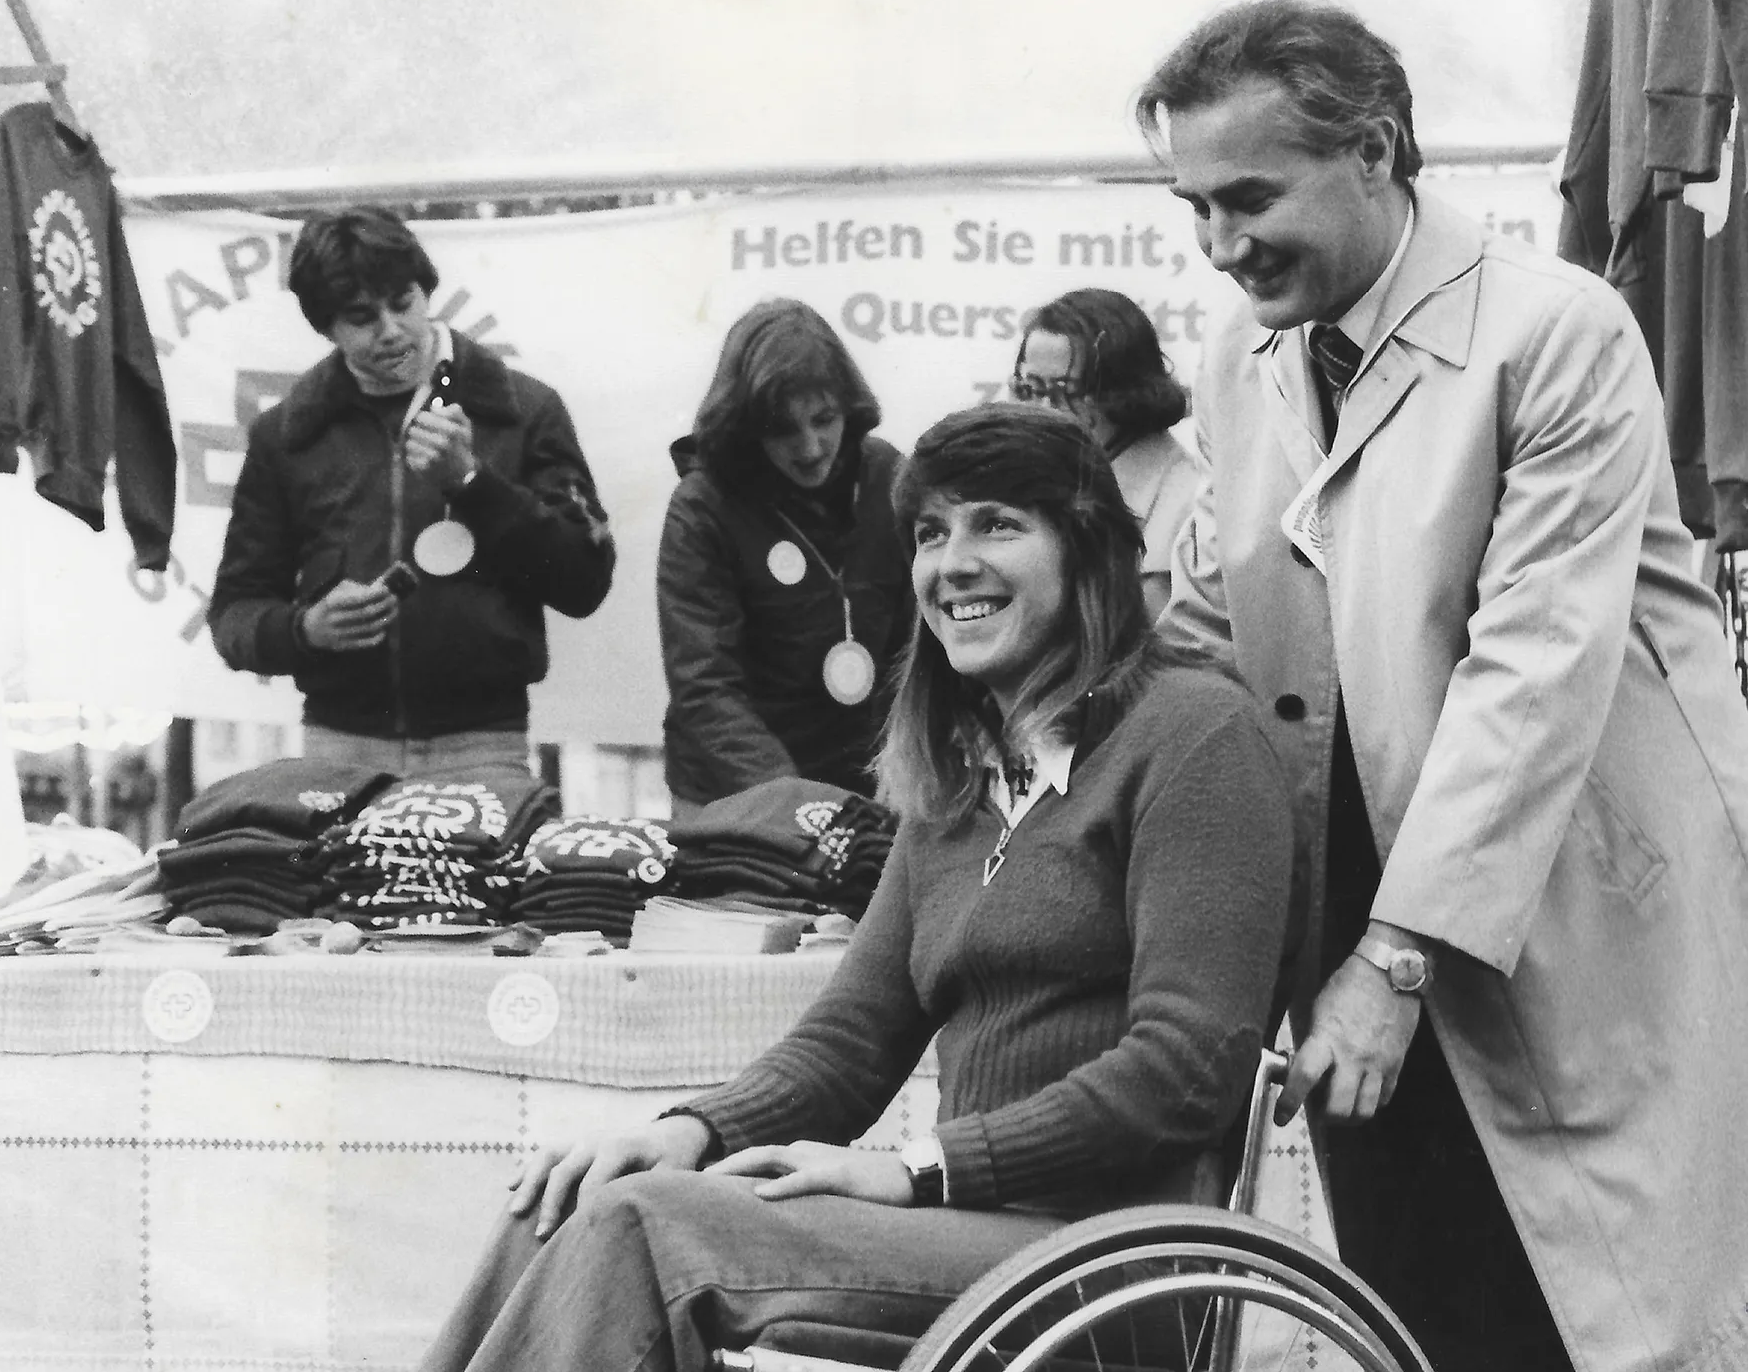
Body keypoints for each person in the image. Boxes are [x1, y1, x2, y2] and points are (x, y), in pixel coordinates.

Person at [420, 405, 1300, 1372]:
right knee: (576, 1196)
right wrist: (687, 1130)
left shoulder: (1195, 736)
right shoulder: (959, 775)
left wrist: (922, 1169)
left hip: (1114, 1257)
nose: (951, 563)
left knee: (646, 1228)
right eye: (930, 532)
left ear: (1088, 549)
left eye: (997, 523)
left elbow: (1187, 1067)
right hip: (969, 1229)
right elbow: (851, 1040)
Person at [1139, 0, 1748, 1372]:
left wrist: (1397, 953)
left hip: (1570, 907)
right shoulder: (1243, 358)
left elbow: (1529, 673)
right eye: (1194, 209)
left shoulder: (1557, 333)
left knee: (1615, 1308)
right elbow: (1205, 623)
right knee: (1424, 1295)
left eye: (1247, 197)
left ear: (1374, 151)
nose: (1220, 246)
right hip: (1356, 903)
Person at [208, 206, 613, 800]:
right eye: (361, 317)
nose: (391, 330)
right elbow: (234, 614)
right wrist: (304, 629)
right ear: (326, 327)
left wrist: (474, 485)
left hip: (486, 749)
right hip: (337, 751)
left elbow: (585, 582)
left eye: (403, 301)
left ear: (427, 291)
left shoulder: (524, 410)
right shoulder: (287, 435)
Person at [657, 299, 911, 814]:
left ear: (849, 407)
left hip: (871, 787)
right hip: (734, 795)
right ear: (746, 427)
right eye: (783, 429)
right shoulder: (702, 507)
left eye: (824, 419)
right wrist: (795, 804)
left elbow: (916, 650)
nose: (812, 446)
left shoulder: (890, 478)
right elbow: (706, 686)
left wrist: (907, 767)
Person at [1010, 288, 1200, 617]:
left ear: (1124, 392)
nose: (1042, 412)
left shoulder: (1187, 505)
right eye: (1031, 389)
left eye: (1065, 393)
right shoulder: (1033, 477)